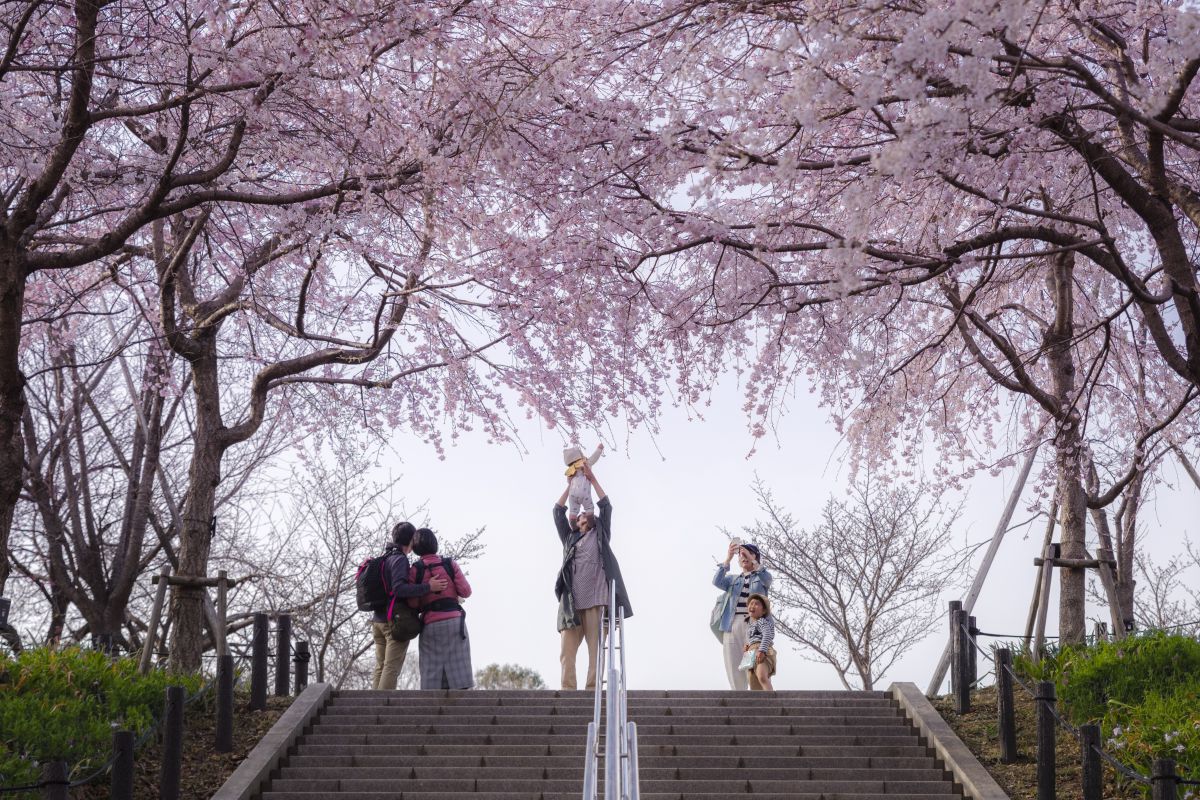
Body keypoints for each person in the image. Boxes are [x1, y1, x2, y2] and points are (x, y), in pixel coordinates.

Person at [553, 462, 632, 690]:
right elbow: (557, 512)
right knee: (566, 651)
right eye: (578, 517)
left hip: (597, 599)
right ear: (575, 522)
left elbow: (606, 506)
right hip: (571, 601)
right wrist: (571, 486)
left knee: (596, 651)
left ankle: (592, 690)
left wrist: (592, 478)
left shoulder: (601, 534)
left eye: (587, 515)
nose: (583, 517)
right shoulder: (570, 539)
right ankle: (568, 690)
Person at [370, 521, 447, 690]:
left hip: (378, 621)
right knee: (390, 668)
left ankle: (371, 707)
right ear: (411, 540)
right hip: (393, 622)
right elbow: (399, 589)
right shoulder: (399, 560)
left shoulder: (385, 558)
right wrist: (428, 587)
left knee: (381, 667)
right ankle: (380, 710)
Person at [408, 528, 474, 690]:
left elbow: (412, 603)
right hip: (454, 624)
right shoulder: (449, 564)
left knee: (433, 678)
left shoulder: (415, 570)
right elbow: (466, 591)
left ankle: (435, 711)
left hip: (430, 626)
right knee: (460, 679)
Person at [712, 541, 772, 690]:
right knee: (733, 663)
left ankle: (757, 699)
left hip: (753, 625)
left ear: (755, 558)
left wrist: (753, 560)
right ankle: (738, 697)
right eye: (741, 555)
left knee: (752, 664)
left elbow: (768, 579)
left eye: (748, 553)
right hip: (731, 624)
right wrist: (728, 558)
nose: (743, 556)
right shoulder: (733, 580)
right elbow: (717, 581)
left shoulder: (761, 578)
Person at [563, 443, 604, 522]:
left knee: (573, 511)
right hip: (584, 491)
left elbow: (569, 481)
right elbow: (594, 458)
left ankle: (573, 524)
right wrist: (599, 449)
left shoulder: (570, 469)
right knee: (589, 508)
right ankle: (590, 523)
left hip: (572, 493)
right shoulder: (585, 463)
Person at [744, 593, 777, 691]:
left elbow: (767, 634)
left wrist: (762, 650)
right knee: (753, 682)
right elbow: (753, 638)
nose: (752, 606)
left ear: (764, 611)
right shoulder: (750, 625)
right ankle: (758, 704)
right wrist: (748, 646)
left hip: (760, 649)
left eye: (756, 604)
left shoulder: (762, 621)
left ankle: (772, 703)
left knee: (762, 676)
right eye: (751, 603)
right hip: (750, 652)